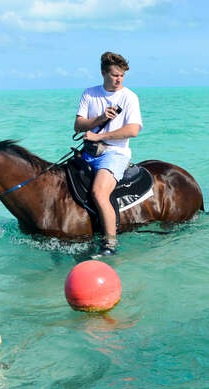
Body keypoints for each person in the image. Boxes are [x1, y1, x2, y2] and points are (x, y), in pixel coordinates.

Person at [74, 51, 143, 256]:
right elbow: (78, 125)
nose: (119, 79)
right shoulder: (90, 93)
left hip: (115, 154)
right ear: (103, 73)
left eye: (122, 75)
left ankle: (110, 244)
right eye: (114, 75)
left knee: (99, 192)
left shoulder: (129, 97)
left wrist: (98, 136)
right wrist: (99, 119)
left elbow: (133, 130)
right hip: (88, 152)